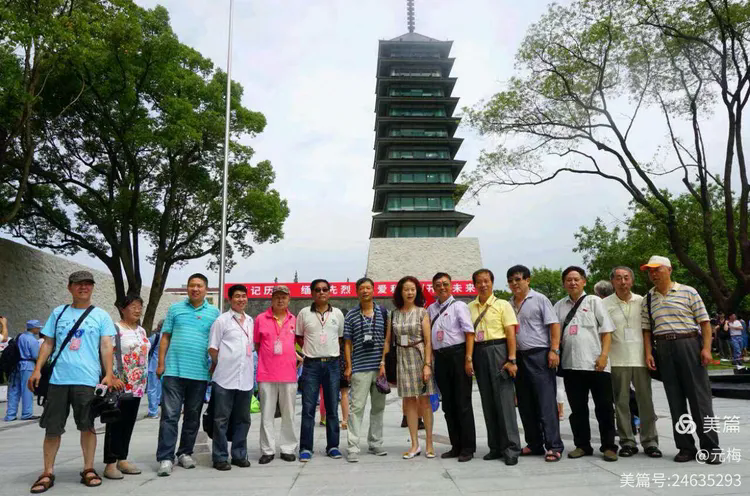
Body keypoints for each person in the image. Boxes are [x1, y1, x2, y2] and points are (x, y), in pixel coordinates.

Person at [27, 270, 119, 493]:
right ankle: (47, 472)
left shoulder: (101, 315)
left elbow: (106, 346)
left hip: (87, 379)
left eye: (88, 284)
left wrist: (108, 373)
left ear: (92, 287)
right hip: (58, 380)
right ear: (69, 287)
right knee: (52, 428)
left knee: (87, 426)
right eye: (78, 284)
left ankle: (88, 469)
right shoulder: (58, 313)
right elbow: (48, 343)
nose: (83, 287)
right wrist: (37, 369)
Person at [641, 255, 721, 463]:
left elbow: (704, 323)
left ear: (669, 270)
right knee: (675, 402)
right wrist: (648, 353)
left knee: (699, 400)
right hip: (663, 348)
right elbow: (647, 330)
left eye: (657, 269)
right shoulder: (648, 298)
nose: (653, 274)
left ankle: (711, 448)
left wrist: (706, 349)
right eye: (650, 271)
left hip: (688, 344)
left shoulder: (688, 292)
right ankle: (686, 447)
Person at [156, 273, 220, 476]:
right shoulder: (175, 309)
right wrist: (160, 364)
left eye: (199, 286)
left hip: (199, 373)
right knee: (170, 416)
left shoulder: (214, 313)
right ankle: (166, 457)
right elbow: (165, 337)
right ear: (187, 288)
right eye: (192, 285)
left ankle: (185, 452)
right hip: (173, 371)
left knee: (193, 416)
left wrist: (214, 365)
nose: (195, 289)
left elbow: (217, 342)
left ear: (206, 289)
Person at [553, 266, 618, 462]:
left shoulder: (594, 301)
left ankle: (609, 447)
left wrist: (604, 356)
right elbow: (555, 334)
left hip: (596, 364)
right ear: (564, 283)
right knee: (578, 409)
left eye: (576, 279)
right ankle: (582, 445)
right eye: (568, 280)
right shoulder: (559, 306)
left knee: (604, 408)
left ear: (584, 281)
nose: (572, 283)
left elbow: (607, 331)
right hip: (571, 365)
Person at [507, 265, 564, 462]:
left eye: (518, 279)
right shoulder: (508, 304)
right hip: (518, 357)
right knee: (525, 403)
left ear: (527, 280)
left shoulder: (539, 299)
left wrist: (554, 350)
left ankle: (554, 446)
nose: (514, 283)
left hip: (539, 355)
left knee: (545, 402)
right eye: (511, 281)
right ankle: (534, 443)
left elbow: (554, 325)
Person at [602, 266, 661, 459]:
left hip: (640, 358)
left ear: (632, 281)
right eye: (618, 278)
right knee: (621, 403)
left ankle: (650, 441)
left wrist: (649, 354)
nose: (623, 282)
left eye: (626, 278)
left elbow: (648, 330)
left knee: (645, 402)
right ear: (612, 281)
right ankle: (627, 441)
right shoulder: (604, 304)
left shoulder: (642, 301)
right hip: (617, 359)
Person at [469, 268, 521, 465]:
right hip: (479, 353)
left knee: (504, 402)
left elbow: (510, 333)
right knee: (488, 401)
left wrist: (512, 359)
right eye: (479, 282)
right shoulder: (470, 307)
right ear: (474, 285)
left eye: (486, 281)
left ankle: (511, 449)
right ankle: (495, 447)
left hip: (499, 351)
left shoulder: (502, 305)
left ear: (492, 283)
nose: (483, 285)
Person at [384, 275, 437, 459]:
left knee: (424, 401)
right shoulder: (394, 314)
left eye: (412, 289)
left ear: (417, 292)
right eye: (406, 289)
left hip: (419, 356)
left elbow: (428, 342)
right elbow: (388, 341)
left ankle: (429, 443)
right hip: (402, 358)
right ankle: (415, 444)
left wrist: (427, 365)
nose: (409, 292)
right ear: (400, 292)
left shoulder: (422, 312)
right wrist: (383, 362)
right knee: (409, 402)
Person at [427, 272, 476, 462]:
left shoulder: (459, 306)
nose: (442, 287)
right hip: (440, 358)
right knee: (448, 405)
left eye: (445, 284)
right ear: (433, 288)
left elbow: (469, 333)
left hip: (458, 355)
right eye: (438, 285)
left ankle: (468, 448)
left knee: (462, 403)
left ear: (451, 285)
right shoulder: (431, 309)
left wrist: (468, 358)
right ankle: (455, 446)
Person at [296, 279, 345, 461]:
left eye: (325, 289)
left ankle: (333, 446)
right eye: (317, 290)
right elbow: (299, 337)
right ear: (312, 293)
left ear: (329, 292)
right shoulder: (304, 313)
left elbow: (339, 338)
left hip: (332, 364)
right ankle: (305, 448)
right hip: (311, 365)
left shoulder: (337, 314)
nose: (321, 292)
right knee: (308, 408)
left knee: (332, 408)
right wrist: (312, 349)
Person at [103, 295, 151, 480]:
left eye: (140, 306)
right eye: (133, 306)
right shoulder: (115, 329)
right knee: (115, 423)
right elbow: (106, 353)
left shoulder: (141, 330)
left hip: (137, 385)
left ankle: (122, 459)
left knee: (128, 422)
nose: (137, 310)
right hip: (120, 384)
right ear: (122, 309)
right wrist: (111, 376)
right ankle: (110, 463)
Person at [207, 284, 254, 471]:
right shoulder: (222, 321)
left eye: (244, 296)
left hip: (246, 378)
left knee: (243, 419)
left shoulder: (250, 321)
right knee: (221, 419)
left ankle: (239, 455)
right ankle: (220, 457)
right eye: (237, 296)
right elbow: (213, 348)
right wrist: (223, 363)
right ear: (230, 299)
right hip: (225, 379)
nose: (241, 299)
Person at [342, 278, 388, 463]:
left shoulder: (383, 313)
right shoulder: (351, 315)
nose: (365, 291)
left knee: (378, 408)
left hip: (379, 369)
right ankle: (353, 446)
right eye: (361, 288)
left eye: (368, 288)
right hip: (360, 368)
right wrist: (349, 366)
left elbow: (387, 340)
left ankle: (375, 443)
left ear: (374, 290)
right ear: (357, 292)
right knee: (356, 408)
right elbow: (347, 343)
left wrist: (384, 363)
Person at [255, 286, 300, 464]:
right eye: (277, 297)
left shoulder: (294, 319)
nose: (280, 300)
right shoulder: (261, 319)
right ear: (271, 299)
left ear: (289, 299)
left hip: (288, 374)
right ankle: (267, 450)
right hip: (266, 373)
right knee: (266, 414)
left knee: (289, 414)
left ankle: (288, 448)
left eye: (284, 297)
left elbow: (298, 343)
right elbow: (257, 344)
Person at [4, 319, 41, 421]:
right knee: (27, 389)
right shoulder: (32, 340)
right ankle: (26, 413)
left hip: (15, 365)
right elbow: (35, 355)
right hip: (28, 365)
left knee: (14, 390)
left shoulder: (19, 337)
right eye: (38, 328)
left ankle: (10, 415)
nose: (39, 330)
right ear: (33, 328)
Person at [146, 320, 164, 418]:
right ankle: (159, 408)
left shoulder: (156, 337)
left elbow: (145, 346)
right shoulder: (172, 338)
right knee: (161, 388)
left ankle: (153, 411)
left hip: (154, 365)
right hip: (167, 367)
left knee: (152, 389)